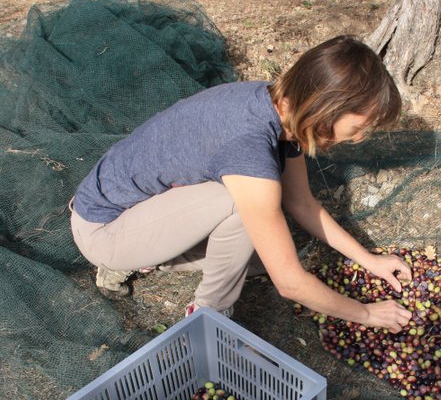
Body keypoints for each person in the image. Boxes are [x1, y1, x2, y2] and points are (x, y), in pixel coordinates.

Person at [69, 35, 413, 333]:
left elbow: (302, 203)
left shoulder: (281, 106)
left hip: (146, 210)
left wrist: (369, 260)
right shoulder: (248, 150)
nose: (360, 138)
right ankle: (208, 315)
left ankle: (154, 255)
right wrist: (367, 313)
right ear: (326, 108)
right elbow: (290, 283)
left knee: (261, 254)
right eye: (360, 127)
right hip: (104, 228)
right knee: (243, 208)